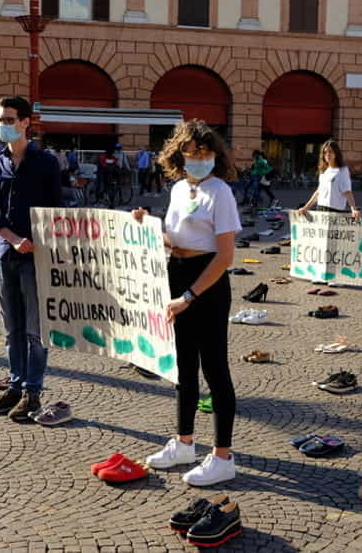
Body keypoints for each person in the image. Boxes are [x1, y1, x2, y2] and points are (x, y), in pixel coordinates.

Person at [134, 120, 241, 486]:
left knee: (215, 370)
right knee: (182, 369)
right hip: (176, 272)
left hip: (206, 281)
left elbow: (225, 255)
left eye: (205, 152)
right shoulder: (179, 188)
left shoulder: (220, 192)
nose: (198, 158)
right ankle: (184, 443)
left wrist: (189, 296)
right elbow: (174, 239)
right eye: (191, 152)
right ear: (178, 154)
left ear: (216, 155)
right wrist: (148, 226)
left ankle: (223, 456)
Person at [0, 96, 63, 422]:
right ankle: (14, 387)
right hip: (6, 255)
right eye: (1, 120)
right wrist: (13, 240)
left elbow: (57, 213)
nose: (4, 126)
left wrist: (38, 244)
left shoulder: (46, 163)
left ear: (27, 122)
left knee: (35, 330)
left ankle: (32, 392)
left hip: (35, 259)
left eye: (10, 120)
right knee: (11, 328)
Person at [295, 140, 362, 220]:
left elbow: (347, 191)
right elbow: (318, 193)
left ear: (336, 153)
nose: (327, 154)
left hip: (335, 211)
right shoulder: (324, 171)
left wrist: (353, 209)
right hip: (321, 209)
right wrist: (305, 208)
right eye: (325, 152)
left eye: (330, 151)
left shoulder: (342, 170)